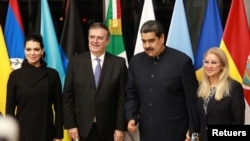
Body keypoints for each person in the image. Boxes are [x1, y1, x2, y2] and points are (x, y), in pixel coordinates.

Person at [125, 20, 200, 141]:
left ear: (161, 38)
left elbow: (192, 100)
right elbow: (131, 93)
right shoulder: (136, 61)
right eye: (144, 41)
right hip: (147, 132)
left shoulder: (182, 62)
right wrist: (131, 117)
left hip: (176, 132)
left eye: (151, 40)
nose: (147, 45)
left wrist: (194, 132)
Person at [63, 22, 127, 141]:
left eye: (99, 38)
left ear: (107, 41)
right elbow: (67, 96)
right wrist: (70, 125)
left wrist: (120, 127)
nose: (95, 41)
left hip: (109, 129)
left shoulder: (119, 64)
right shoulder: (75, 62)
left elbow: (122, 98)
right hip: (81, 129)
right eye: (92, 37)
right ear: (88, 39)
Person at [5, 34, 63, 141]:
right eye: (28, 49)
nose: (32, 53)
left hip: (47, 133)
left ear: (42, 51)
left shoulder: (53, 75)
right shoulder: (15, 76)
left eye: (36, 49)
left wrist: (58, 135)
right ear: (24, 51)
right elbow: (10, 110)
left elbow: (59, 108)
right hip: (21, 134)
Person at [195, 47, 245, 141]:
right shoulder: (201, 86)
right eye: (206, 62)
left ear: (222, 66)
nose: (209, 66)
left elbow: (238, 121)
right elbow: (199, 121)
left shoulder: (233, 87)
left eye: (214, 62)